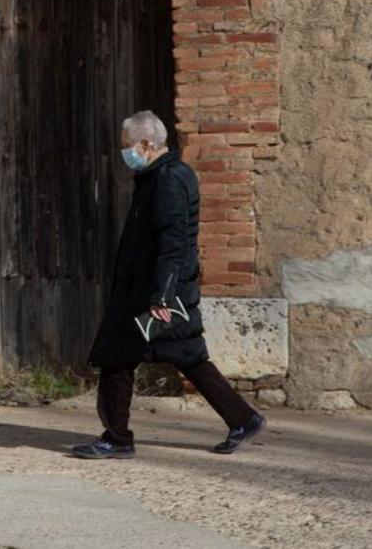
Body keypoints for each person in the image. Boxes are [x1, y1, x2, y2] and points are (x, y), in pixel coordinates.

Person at [72, 110, 267, 459]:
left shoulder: (168, 179)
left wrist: (161, 294)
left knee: (118, 358)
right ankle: (243, 418)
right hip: (153, 290)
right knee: (185, 354)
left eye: (127, 146)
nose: (125, 153)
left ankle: (117, 439)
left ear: (146, 144)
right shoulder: (159, 176)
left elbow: (174, 241)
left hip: (155, 293)